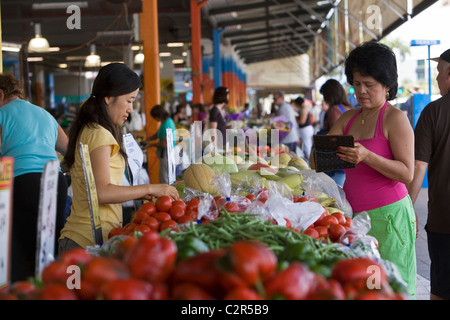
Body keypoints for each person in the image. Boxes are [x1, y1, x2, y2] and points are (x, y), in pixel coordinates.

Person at [312, 42, 416, 298]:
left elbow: (407, 173)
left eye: (369, 85)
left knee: (395, 286)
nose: (361, 91)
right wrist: (323, 151)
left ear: (387, 85)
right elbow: (317, 163)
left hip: (390, 218)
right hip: (356, 218)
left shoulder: (395, 118)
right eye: (357, 84)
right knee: (367, 287)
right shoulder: (347, 118)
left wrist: (367, 156)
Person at [59, 63, 179, 253]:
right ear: (108, 98)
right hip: (85, 241)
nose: (131, 109)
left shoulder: (92, 129)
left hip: (90, 238)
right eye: (129, 100)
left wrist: (142, 193)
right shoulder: (99, 134)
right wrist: (151, 187)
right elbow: (102, 192)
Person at [0, 72, 69, 282]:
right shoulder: (45, 114)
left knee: (19, 249)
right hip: (56, 184)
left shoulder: (2, 114)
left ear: (0, 94)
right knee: (48, 248)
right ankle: (53, 290)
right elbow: (71, 150)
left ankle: (24, 293)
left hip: (22, 184)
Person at [406, 48, 450, 300]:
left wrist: (408, 209)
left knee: (442, 290)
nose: (436, 79)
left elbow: (418, 166)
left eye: (438, 73)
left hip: (445, 221)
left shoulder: (434, 112)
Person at [318, 79, 353, 186]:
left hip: (335, 163)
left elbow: (333, 138)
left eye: (324, 95)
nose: (324, 98)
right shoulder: (349, 108)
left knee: (334, 194)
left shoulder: (334, 110)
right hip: (346, 159)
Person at [146, 104, 177, 184]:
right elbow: (159, 134)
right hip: (167, 154)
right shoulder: (166, 122)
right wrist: (149, 139)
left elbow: (164, 144)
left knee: (164, 179)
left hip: (166, 154)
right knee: (165, 176)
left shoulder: (167, 124)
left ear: (157, 116)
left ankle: (166, 195)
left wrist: (150, 144)